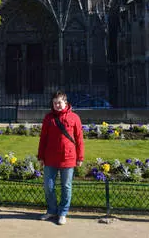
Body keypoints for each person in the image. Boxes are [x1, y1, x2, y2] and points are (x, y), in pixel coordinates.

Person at [37, 90, 84, 225]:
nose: (57, 105)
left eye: (59, 102)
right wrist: (41, 156)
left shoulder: (75, 118)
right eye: (54, 103)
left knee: (66, 186)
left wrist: (80, 157)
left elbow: (79, 139)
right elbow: (43, 139)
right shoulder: (48, 118)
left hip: (68, 157)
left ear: (66, 103)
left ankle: (63, 212)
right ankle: (52, 210)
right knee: (48, 186)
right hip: (50, 157)